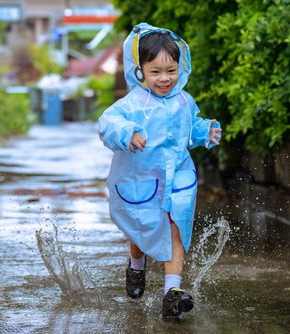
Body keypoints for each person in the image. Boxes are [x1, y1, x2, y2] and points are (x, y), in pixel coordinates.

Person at [98, 22, 221, 317]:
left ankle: (172, 294)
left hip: (177, 176)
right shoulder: (133, 103)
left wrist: (204, 131)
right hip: (141, 178)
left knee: (176, 226)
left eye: (171, 70)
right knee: (142, 229)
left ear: (181, 66)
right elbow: (108, 123)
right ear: (140, 70)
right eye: (155, 72)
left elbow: (189, 127)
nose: (164, 79)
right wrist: (127, 133)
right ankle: (136, 267)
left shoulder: (184, 101)